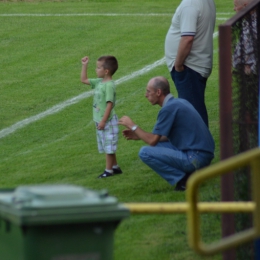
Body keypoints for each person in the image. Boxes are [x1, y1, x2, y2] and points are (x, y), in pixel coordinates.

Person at [118, 76, 215, 191]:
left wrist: (132, 126)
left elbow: (152, 140)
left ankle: (184, 180)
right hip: (203, 154)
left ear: (158, 92)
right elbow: (163, 137)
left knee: (145, 152)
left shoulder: (168, 109)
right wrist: (139, 136)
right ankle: (189, 175)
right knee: (157, 147)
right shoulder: (179, 102)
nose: (146, 95)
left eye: (148, 91)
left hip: (196, 158)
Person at [165, 0, 216, 127]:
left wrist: (178, 65)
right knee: (195, 108)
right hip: (197, 65)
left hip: (189, 67)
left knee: (193, 114)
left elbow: (188, 38)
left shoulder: (190, 5)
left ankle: (199, 146)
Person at [81, 55, 122, 178]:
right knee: (107, 145)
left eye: (98, 68)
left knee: (109, 146)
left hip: (107, 121)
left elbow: (110, 104)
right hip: (100, 120)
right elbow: (83, 80)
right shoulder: (99, 82)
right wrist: (84, 65)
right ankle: (115, 167)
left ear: (106, 71)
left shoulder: (109, 85)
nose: (96, 70)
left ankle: (108, 171)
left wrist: (103, 121)